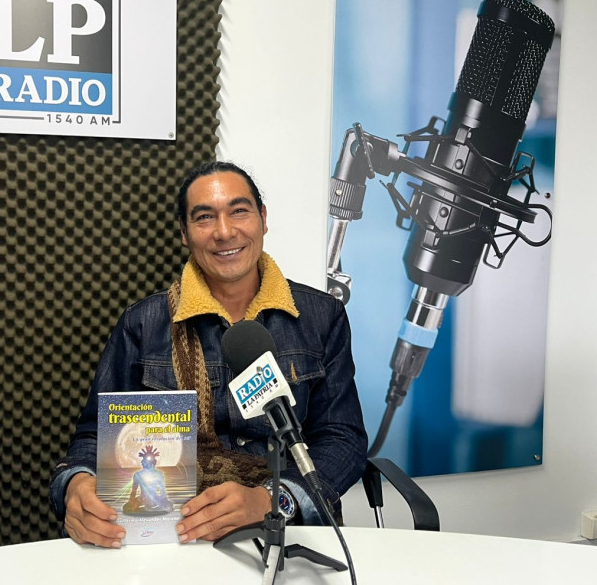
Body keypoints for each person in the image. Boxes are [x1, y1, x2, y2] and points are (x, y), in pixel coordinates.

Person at [49, 161, 367, 547]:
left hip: (290, 534)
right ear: (184, 233)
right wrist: (75, 484)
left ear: (263, 218)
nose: (224, 231)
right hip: (178, 538)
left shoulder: (321, 317)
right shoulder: (143, 324)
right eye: (204, 217)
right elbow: (94, 438)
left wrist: (273, 500)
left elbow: (342, 440)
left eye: (239, 211)